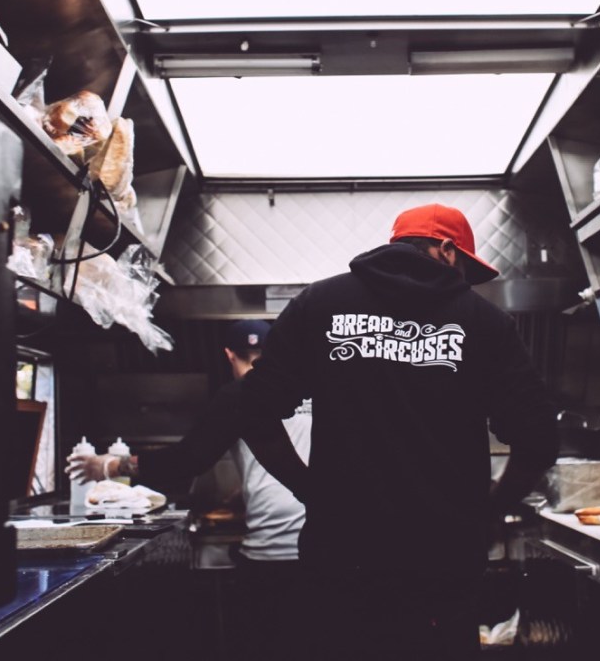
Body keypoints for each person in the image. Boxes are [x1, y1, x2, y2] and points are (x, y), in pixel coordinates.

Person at [69, 203, 559, 660]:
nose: (465, 283)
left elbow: (253, 411)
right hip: (443, 565)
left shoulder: (320, 304)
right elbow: (539, 439)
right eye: (466, 270)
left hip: (341, 562)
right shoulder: (485, 322)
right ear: (447, 250)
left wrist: (310, 488)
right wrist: (489, 508)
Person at [195, 318, 311, 661]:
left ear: (229, 355)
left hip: (267, 554)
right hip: (316, 551)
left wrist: (115, 465)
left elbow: (193, 457)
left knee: (263, 647)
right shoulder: (304, 393)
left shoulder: (240, 398)